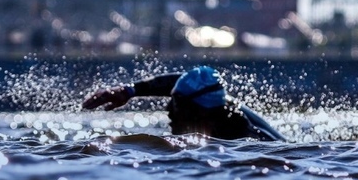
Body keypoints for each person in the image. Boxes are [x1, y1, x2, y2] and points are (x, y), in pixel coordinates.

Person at [82, 66, 285, 141]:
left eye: (177, 103)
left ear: (200, 112)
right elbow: (180, 82)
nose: (169, 110)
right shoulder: (213, 99)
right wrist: (129, 91)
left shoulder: (239, 134)